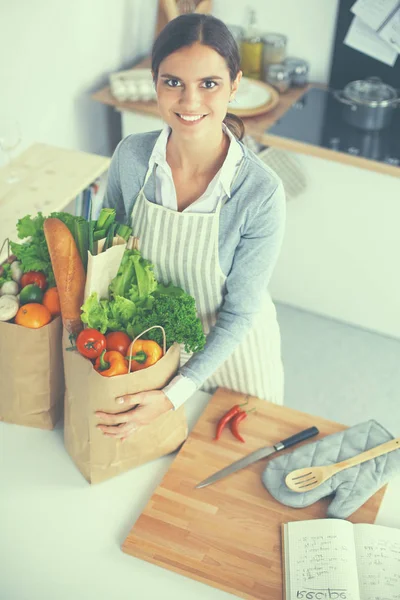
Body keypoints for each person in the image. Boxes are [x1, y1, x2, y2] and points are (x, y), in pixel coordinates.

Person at [95, 13, 286, 441]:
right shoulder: (131, 158)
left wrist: (174, 393)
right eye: (174, 82)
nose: (190, 101)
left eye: (209, 84)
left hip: (235, 359)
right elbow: (108, 251)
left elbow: (238, 313)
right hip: (154, 349)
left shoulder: (260, 193)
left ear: (235, 85)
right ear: (155, 82)